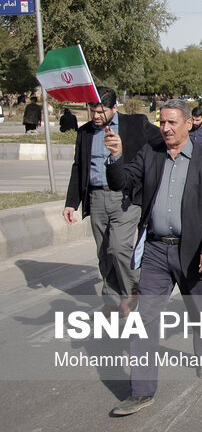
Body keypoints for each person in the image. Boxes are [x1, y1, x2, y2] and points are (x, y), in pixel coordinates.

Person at [107, 99, 202, 416]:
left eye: (172, 122)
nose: (165, 128)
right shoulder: (150, 153)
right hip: (156, 251)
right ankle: (141, 390)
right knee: (144, 319)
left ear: (189, 124)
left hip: (194, 252)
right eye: (162, 122)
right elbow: (121, 181)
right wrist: (116, 155)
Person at [62, 86, 162, 314]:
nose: (96, 116)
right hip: (96, 196)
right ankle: (112, 299)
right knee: (104, 251)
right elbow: (79, 167)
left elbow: (162, 142)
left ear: (114, 107)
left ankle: (132, 294)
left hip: (126, 198)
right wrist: (71, 202)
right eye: (92, 111)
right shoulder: (85, 133)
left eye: (101, 111)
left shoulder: (135, 124)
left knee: (119, 247)